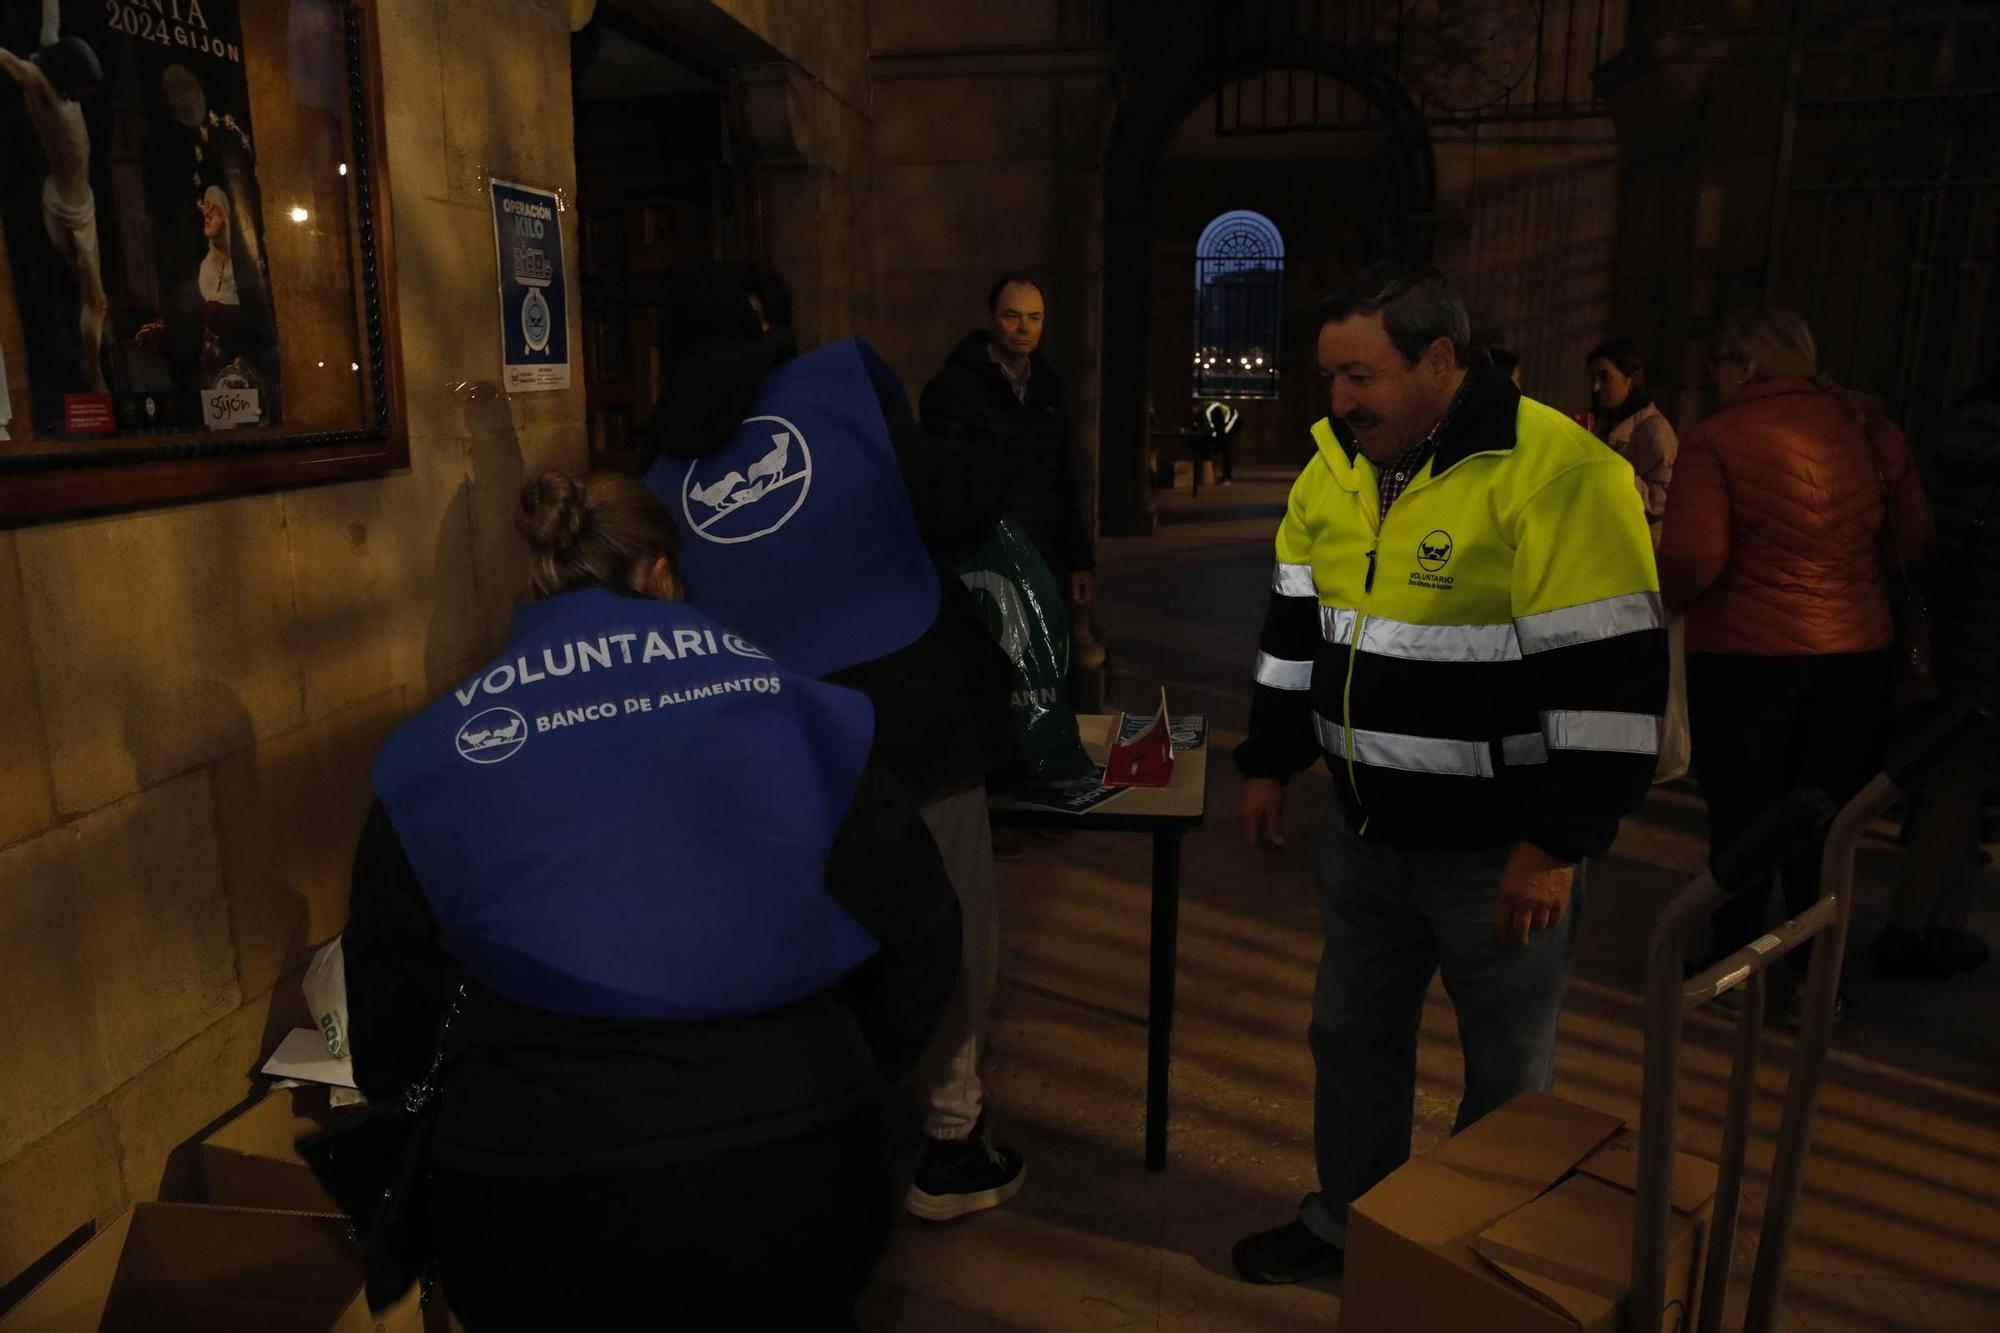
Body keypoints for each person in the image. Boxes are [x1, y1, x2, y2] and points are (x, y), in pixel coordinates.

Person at [342, 470, 962, 1328]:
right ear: (663, 574)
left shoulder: (440, 754)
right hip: (798, 1165)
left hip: (534, 1195)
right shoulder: (793, 709)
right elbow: (923, 928)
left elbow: (385, 1021)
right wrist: (848, 1063)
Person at [1232, 258, 1665, 1284]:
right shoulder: (1330, 465)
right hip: (1366, 831)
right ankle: (1349, 1228)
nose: (1336, 401)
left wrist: (1555, 843)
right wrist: (1270, 758)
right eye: (1328, 376)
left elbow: (1611, 683)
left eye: (1358, 376)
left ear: (1438, 359)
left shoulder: (1558, 473)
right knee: (1350, 1036)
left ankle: (1477, 1269)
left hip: (1497, 853)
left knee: (1507, 1075)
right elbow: (1295, 630)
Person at [638, 262, 1026, 1221]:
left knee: (807, 936)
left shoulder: (650, 469)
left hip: (769, 738)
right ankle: (950, 1143)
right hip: (910, 712)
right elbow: (952, 500)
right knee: (947, 917)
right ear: (766, 319)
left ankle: (819, 1134)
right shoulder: (838, 386)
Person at [1657, 306, 1933, 1016]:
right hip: (1856, 656)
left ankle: (1734, 968)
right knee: (1832, 824)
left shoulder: (1717, 439)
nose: (1714, 377)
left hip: (1746, 661)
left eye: (1719, 362)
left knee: (1747, 819)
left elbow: (1694, 556)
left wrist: (1665, 597)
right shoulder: (1871, 430)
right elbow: (1916, 534)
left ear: (1745, 364)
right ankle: (1819, 978)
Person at [1875, 365, 1999, 978]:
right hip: (1990, 649)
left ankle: (1945, 924)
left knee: (1956, 785)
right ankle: (1907, 929)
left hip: (1943, 633)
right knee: (1959, 784)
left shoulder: (1954, 438)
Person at [921, 274, 1096, 611]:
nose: (1024, 328)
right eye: (1012, 316)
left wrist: (1077, 559)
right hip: (984, 561)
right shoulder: (955, 388)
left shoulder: (1047, 389)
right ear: (992, 317)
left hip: (1041, 554)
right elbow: (941, 483)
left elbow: (1063, 479)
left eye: (1034, 318)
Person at [0, 2, 107, 393]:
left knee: (92, 297)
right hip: (71, 210)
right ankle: (92, 373)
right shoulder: (41, 85)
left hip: (78, 198)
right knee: (96, 301)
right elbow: (10, 63)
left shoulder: (50, 64)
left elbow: (49, 15)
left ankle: (90, 364)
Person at [1587, 339, 1678, 546]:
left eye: (1604, 378)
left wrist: (1613, 475)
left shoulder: (1654, 429)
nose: (1596, 387)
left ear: (1632, 379)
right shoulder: (1607, 425)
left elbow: (1666, 495)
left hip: (1641, 542)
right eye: (1592, 378)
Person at [1192, 397, 1241, 494]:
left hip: (1233, 422)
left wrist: (1216, 445)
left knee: (1225, 446)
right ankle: (1223, 474)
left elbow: (1220, 432)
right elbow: (1208, 429)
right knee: (1220, 443)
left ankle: (1227, 477)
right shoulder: (1202, 411)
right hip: (1223, 424)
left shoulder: (1213, 411)